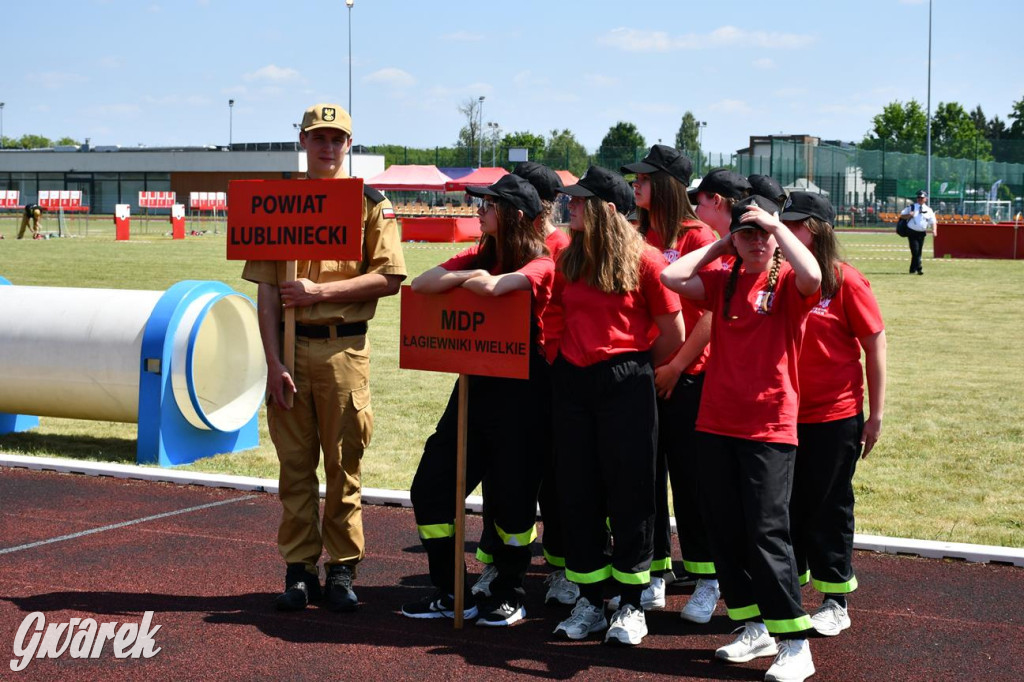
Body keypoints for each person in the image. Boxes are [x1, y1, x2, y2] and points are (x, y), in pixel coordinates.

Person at [242, 103, 407, 613]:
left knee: (343, 465)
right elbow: (266, 292)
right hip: (291, 352)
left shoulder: (369, 204)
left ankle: (341, 570)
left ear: (349, 145)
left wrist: (318, 294)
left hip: (343, 349)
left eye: (337, 139)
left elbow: (390, 278)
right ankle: (297, 570)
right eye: (318, 138)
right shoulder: (277, 203)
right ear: (302, 140)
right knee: (294, 468)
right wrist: (273, 363)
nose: (328, 147)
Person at [661, 195, 822, 682]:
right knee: (724, 530)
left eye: (762, 234)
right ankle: (752, 626)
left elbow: (814, 276)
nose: (755, 242)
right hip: (715, 423)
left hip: (769, 424)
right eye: (746, 234)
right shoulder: (722, 277)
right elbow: (670, 278)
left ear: (776, 235)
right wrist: (720, 246)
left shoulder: (790, 281)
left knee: (767, 532)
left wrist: (774, 227)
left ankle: (795, 643)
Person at [402, 173, 555, 627]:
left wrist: (468, 276)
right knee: (430, 489)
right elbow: (424, 282)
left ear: (514, 216)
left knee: (511, 508)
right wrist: (471, 271)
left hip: (526, 397)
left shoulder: (542, 264)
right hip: (473, 389)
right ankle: (451, 591)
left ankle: (509, 591)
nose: (479, 211)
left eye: (489, 205)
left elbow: (495, 290)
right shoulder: (480, 254)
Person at [549, 166, 684, 646]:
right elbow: (557, 312)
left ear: (607, 209)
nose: (571, 207)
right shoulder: (570, 257)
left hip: (626, 382)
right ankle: (590, 599)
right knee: (578, 492)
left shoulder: (646, 260)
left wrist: (635, 370)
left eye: (581, 202)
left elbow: (673, 333)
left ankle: (630, 604)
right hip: (572, 384)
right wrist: (559, 357)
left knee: (631, 493)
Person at [616, 144, 721, 623]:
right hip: (644, 374)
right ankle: (656, 571)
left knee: (694, 481)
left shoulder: (698, 236)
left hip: (689, 377)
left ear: (667, 185)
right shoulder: (637, 233)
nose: (635, 183)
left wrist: (677, 366)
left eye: (644, 177)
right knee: (646, 478)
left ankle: (707, 578)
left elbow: (712, 314)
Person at [471, 162, 580, 609]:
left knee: (555, 478)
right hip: (503, 368)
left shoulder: (558, 246)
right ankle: (498, 559)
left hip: (550, 372)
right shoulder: (505, 246)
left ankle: (561, 567)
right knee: (503, 476)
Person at [780, 192, 887, 637]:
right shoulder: (783, 279)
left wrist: (875, 415)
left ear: (817, 230)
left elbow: (875, 345)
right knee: (785, 508)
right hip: (783, 416)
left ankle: (835, 600)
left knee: (829, 506)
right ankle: (791, 594)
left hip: (835, 417)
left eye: (795, 224)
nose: (786, 232)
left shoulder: (846, 282)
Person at [900, 190, 936, 275]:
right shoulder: (911, 207)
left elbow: (933, 221)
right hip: (912, 232)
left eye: (922, 198)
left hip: (922, 233)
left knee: (918, 252)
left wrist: (934, 230)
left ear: (925, 199)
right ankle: (919, 268)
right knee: (915, 251)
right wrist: (909, 215)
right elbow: (902, 215)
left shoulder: (929, 210)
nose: (920, 199)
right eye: (918, 197)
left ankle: (912, 269)